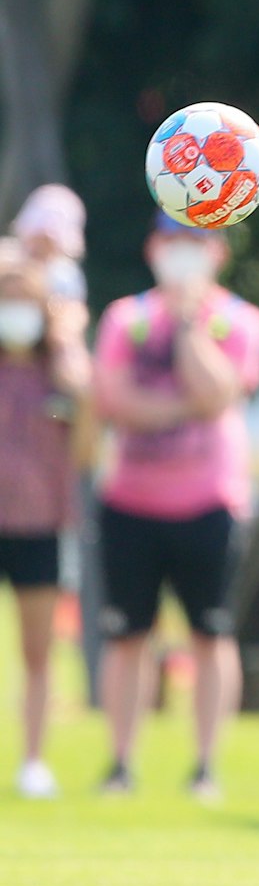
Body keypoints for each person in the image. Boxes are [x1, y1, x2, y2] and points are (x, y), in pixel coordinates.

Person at [93, 213, 259, 801]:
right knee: (127, 638)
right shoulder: (127, 318)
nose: (184, 252)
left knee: (210, 636)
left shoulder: (240, 320)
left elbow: (221, 394)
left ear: (217, 252)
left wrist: (191, 326)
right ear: (153, 247)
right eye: (174, 240)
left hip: (208, 504)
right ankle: (120, 763)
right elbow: (115, 400)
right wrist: (182, 409)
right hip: (130, 503)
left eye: (196, 241)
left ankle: (205, 767)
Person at [0, 249, 91, 797]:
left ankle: (33, 760)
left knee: (38, 650)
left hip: (38, 525)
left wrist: (70, 351)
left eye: (24, 301)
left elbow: (85, 452)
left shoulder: (57, 372)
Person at [11, 183, 88, 303]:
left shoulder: (66, 277)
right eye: (39, 237)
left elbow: (70, 315)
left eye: (50, 242)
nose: (43, 246)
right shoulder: (7, 260)